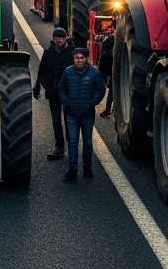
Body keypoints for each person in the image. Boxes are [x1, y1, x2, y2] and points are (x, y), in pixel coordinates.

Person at [58, 47, 106, 181]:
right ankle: (72, 169)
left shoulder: (94, 73)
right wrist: (66, 101)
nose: (79, 60)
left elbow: (100, 89)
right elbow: (61, 89)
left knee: (88, 142)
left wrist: (92, 102)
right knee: (72, 142)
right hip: (72, 113)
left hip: (87, 114)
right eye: (76, 58)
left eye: (81, 58)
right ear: (73, 59)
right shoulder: (68, 72)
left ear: (86, 59)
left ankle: (87, 167)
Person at [34, 27, 75, 160]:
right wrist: (38, 87)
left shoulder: (72, 53)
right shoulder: (48, 53)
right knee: (56, 120)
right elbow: (42, 71)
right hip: (53, 91)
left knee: (70, 119)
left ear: (66, 39)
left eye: (61, 38)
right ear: (53, 39)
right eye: (56, 38)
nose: (59, 41)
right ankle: (59, 146)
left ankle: (71, 144)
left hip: (69, 92)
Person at [98, 32, 115, 118]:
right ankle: (108, 109)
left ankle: (108, 109)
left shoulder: (105, 56)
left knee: (113, 89)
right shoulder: (106, 56)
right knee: (113, 88)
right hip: (112, 73)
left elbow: (102, 70)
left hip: (112, 73)